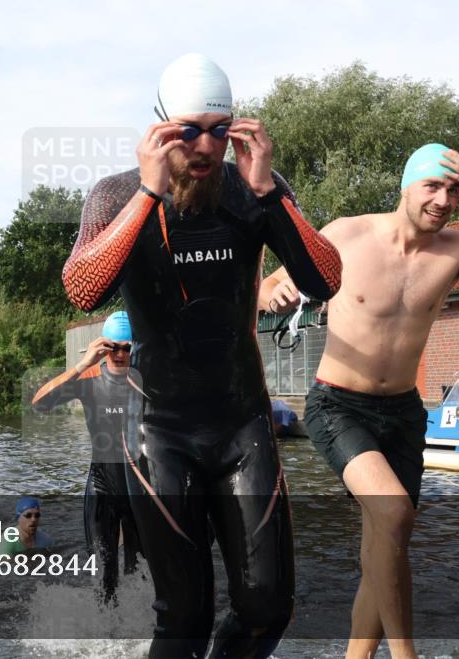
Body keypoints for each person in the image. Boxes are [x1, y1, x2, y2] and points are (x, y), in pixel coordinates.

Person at [61, 53, 342, 657]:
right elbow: (83, 286)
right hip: (159, 430)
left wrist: (269, 194)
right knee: (183, 619)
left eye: (220, 129)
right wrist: (145, 192)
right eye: (188, 130)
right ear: (160, 127)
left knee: (268, 610)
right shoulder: (115, 193)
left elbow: (325, 281)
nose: (206, 146)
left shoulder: (253, 190)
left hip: (242, 423)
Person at [259, 142, 459, 659]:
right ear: (406, 186)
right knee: (394, 519)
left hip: (405, 413)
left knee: (386, 547)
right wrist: (270, 292)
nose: (443, 199)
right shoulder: (347, 233)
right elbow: (268, 287)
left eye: (454, 190)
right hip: (337, 406)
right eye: (433, 186)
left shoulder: (457, 248)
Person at [31, 310, 143, 601]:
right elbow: (39, 405)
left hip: (140, 488)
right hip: (102, 485)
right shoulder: (91, 378)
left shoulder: (147, 381)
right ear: (102, 347)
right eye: (112, 347)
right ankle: (103, 635)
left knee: (140, 574)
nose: (119, 354)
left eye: (126, 347)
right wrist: (82, 364)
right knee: (103, 578)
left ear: (136, 347)